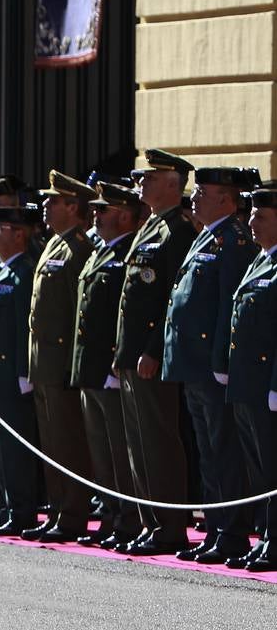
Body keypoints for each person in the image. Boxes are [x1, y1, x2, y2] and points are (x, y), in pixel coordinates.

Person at [164, 167, 259, 564]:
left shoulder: (233, 241)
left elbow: (228, 306)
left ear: (226, 198)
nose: (194, 198)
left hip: (211, 365)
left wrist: (222, 360)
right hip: (192, 363)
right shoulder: (206, 235)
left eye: (203, 192)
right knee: (207, 449)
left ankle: (232, 532)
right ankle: (216, 528)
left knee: (223, 449)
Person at [114, 149, 198, 555]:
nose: (141, 184)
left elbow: (171, 298)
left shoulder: (177, 230)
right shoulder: (152, 227)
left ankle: (169, 525)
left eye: (149, 177)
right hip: (131, 354)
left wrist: (151, 349)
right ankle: (151, 522)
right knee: (138, 442)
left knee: (158, 440)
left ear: (172, 182)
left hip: (150, 355)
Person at [70, 180, 144, 550]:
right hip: (91, 368)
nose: (95, 215)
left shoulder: (128, 253)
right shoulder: (101, 252)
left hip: (110, 368)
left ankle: (129, 519)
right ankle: (112, 515)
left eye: (103, 210)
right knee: (101, 451)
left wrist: (115, 361)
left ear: (125, 215)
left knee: (120, 451)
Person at [25, 171, 96, 542]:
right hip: (43, 362)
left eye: (53, 201)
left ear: (73, 206)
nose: (46, 206)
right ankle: (57, 511)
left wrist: (72, 366)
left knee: (69, 444)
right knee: (52, 444)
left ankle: (72, 515)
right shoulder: (54, 244)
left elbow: (76, 314)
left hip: (62, 362)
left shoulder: (78, 248)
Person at [0, 205, 42, 535]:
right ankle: (3, 504)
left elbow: (23, 329)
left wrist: (23, 372)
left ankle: (21, 509)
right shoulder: (0, 271)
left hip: (9, 376)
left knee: (14, 448)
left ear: (20, 234)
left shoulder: (24, 272)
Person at [223, 186, 277, 571]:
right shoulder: (260, 259)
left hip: (266, 384)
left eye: (261, 216)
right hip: (246, 382)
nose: (252, 222)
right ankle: (265, 536)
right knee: (258, 468)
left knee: (273, 468)